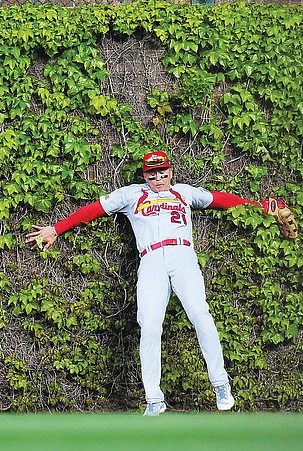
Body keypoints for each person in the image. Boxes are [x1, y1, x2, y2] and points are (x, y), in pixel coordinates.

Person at [28, 150, 272, 416]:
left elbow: (221, 200)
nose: (158, 177)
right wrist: (56, 228)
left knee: (201, 314)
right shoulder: (131, 194)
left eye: (162, 172)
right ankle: (154, 399)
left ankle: (221, 384)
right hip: (151, 258)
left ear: (170, 172)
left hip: (182, 255)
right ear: (145, 175)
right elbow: (94, 210)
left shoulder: (184, 192)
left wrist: (258, 207)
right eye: (152, 173)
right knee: (150, 325)